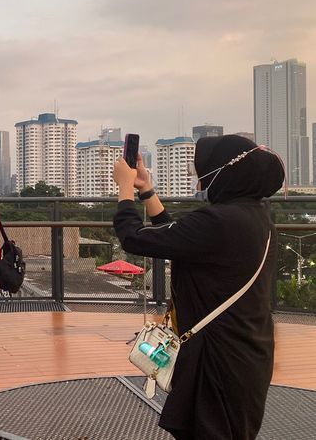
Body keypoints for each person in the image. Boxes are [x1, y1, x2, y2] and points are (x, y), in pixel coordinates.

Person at [112, 134, 284, 440]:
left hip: (217, 361)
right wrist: (147, 190)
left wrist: (125, 189)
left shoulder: (219, 221)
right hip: (244, 352)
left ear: (226, 173)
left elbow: (133, 237)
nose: (199, 179)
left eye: (204, 171)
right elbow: (179, 237)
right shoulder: (253, 215)